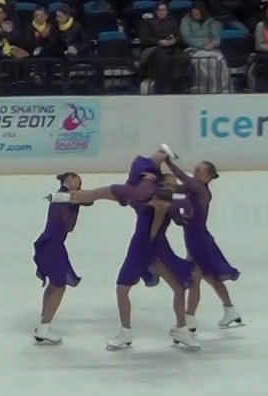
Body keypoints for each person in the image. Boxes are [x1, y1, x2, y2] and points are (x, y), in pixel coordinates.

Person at [105, 188, 198, 351]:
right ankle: (125, 332)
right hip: (139, 251)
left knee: (178, 287)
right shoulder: (143, 204)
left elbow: (183, 211)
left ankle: (181, 329)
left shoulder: (168, 208)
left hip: (156, 252)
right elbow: (127, 195)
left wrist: (164, 212)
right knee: (121, 289)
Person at [165, 158, 243, 330]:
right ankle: (230, 309)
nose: (195, 172)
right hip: (196, 238)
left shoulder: (201, 190)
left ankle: (189, 318)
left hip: (199, 241)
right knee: (210, 277)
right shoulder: (192, 189)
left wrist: (168, 161)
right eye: (196, 169)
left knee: (195, 278)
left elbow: (183, 180)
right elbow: (177, 189)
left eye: (199, 170)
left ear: (208, 176)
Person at [32, 172, 88, 344]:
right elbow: (68, 224)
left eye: (77, 180)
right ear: (65, 181)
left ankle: (43, 320)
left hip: (49, 243)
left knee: (54, 283)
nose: (74, 182)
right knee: (59, 285)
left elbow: (88, 201)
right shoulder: (61, 197)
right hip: (52, 244)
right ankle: (44, 327)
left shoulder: (69, 197)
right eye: (71, 179)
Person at [47, 145, 177, 206]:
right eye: (171, 182)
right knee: (93, 195)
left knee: (93, 195)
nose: (173, 183)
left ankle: (60, 197)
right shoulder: (149, 184)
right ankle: (59, 197)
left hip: (133, 181)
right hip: (129, 185)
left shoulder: (149, 182)